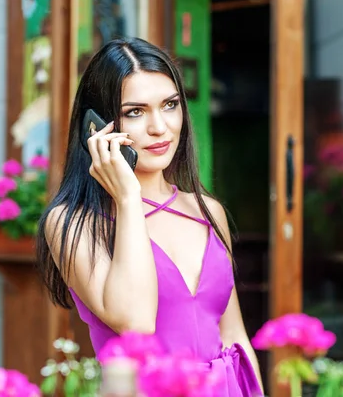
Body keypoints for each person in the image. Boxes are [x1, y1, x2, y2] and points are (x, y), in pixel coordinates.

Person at [36, 37, 264, 396]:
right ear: (96, 127)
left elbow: (234, 336)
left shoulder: (208, 211)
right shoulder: (72, 223)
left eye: (170, 104)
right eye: (135, 112)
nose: (160, 127)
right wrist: (127, 199)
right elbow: (135, 321)